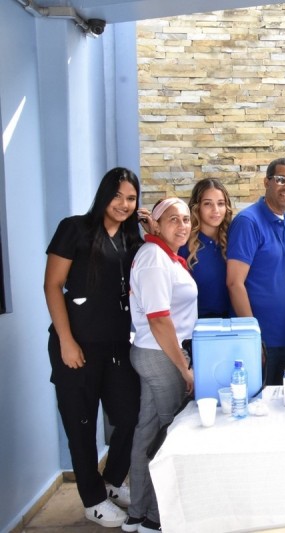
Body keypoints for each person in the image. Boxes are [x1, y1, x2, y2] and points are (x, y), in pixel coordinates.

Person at [43, 167, 143, 528]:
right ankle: (93, 499)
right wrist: (66, 341)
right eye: (117, 196)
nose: (123, 204)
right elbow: (52, 285)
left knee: (131, 416)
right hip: (77, 346)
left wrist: (152, 229)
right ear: (103, 195)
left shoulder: (132, 241)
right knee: (81, 425)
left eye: (131, 198)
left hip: (117, 347)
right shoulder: (75, 229)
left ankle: (113, 480)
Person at [126, 198, 197, 533]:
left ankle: (137, 513)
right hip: (162, 355)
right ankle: (157, 518)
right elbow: (158, 319)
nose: (182, 225)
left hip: (155, 352)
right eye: (173, 219)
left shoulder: (164, 256)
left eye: (186, 219)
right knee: (170, 436)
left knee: (147, 433)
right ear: (155, 224)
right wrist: (183, 368)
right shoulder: (154, 258)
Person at [227, 158, 285, 385]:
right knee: (257, 402)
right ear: (266, 182)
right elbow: (234, 283)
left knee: (281, 401)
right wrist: (252, 337)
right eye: (281, 179)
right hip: (259, 339)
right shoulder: (248, 222)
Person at [179, 178, 233, 319]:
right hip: (195, 324)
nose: (216, 210)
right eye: (208, 203)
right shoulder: (183, 245)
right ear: (197, 207)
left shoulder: (234, 240)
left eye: (220, 203)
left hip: (233, 323)